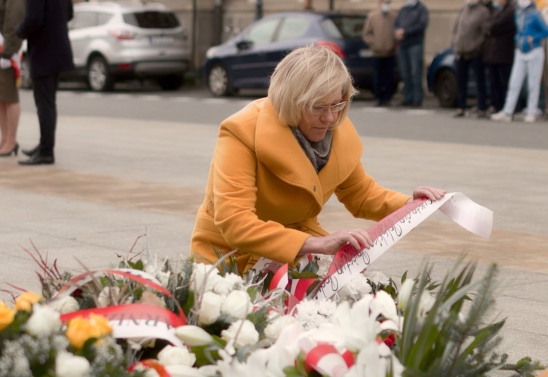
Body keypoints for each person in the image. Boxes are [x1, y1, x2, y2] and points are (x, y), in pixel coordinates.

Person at [190, 45, 446, 272]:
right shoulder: (241, 131)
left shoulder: (336, 128)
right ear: (290, 101)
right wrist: (318, 244)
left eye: (337, 104)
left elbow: (362, 195)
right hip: (227, 256)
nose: (331, 118)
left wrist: (413, 206)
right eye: (319, 107)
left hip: (294, 247)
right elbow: (236, 223)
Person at [16, 0, 73, 165]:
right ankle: (44, 145)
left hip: (43, 50)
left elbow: (34, 18)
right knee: (49, 103)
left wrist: (19, 30)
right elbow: (69, 14)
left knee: (44, 104)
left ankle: (46, 151)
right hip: (58, 48)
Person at [491, 0, 548, 123]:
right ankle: (507, 111)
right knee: (514, 83)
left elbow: (547, 31)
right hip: (520, 52)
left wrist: (534, 38)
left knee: (533, 84)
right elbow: (518, 30)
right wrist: (518, 39)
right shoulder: (518, 13)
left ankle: (531, 112)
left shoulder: (535, 14)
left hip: (534, 51)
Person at [0, 0, 26, 156]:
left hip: (4, 51)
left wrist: (8, 52)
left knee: (9, 97)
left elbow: (14, 22)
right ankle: (4, 138)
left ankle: (12, 140)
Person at [451, 0, 490, 118]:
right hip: (461, 51)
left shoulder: (483, 11)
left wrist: (476, 45)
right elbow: (456, 29)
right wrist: (455, 42)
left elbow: (484, 32)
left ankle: (481, 108)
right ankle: (461, 107)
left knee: (479, 80)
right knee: (461, 80)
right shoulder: (464, 9)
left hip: (475, 52)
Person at [482, 0, 516, 114]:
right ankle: (496, 106)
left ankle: (505, 107)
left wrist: (491, 29)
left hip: (504, 54)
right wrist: (491, 29)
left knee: (504, 82)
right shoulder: (497, 10)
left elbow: (496, 26)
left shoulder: (510, 11)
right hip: (492, 54)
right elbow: (486, 25)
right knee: (494, 83)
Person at [394, 0, 429, 107]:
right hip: (403, 44)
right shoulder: (404, 9)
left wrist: (405, 32)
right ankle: (407, 97)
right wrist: (397, 31)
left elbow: (422, 25)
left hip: (415, 44)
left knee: (415, 72)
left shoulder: (421, 9)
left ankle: (417, 98)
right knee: (405, 72)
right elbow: (396, 24)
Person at [362, 0, 397, 107]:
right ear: (379, 3)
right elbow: (366, 33)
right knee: (378, 76)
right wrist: (373, 43)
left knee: (389, 76)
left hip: (390, 52)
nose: (386, 5)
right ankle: (379, 97)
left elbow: (396, 32)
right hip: (377, 52)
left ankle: (388, 97)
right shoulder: (372, 16)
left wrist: (394, 44)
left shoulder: (394, 17)